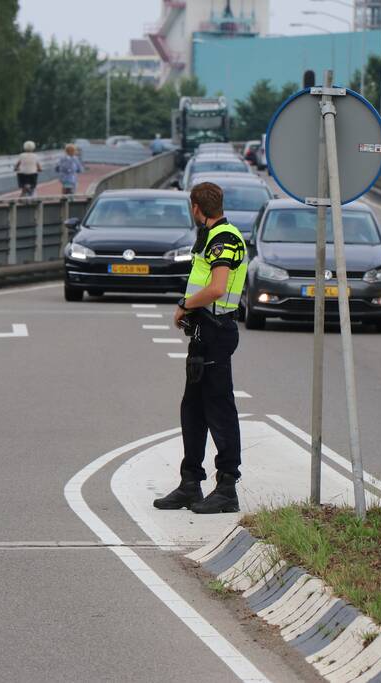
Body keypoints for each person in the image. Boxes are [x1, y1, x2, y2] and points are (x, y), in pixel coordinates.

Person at [154, 182, 248, 515]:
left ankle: (226, 487)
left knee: (219, 408)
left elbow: (218, 287)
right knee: (193, 409)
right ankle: (190, 483)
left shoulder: (225, 239)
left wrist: (184, 304)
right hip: (203, 332)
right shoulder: (209, 238)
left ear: (196, 207)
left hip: (217, 331)